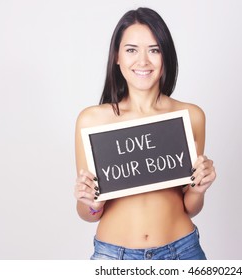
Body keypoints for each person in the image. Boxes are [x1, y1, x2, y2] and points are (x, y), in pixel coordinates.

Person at [74, 7, 216, 260]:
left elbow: (189, 207)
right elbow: (88, 214)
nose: (143, 61)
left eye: (154, 50)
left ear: (166, 56)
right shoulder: (92, 120)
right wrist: (92, 204)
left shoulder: (190, 116)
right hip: (114, 256)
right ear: (117, 56)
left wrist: (198, 189)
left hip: (182, 251)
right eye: (131, 50)